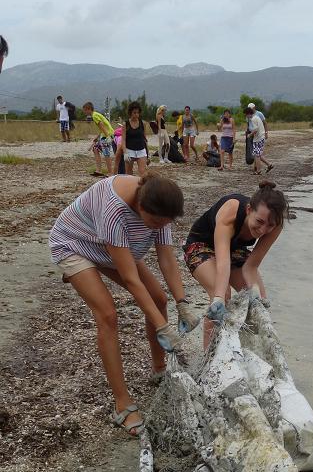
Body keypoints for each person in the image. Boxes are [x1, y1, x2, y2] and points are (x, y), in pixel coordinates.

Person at [49, 173, 198, 436]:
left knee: (158, 299)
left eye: (161, 225)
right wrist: (163, 327)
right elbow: (131, 279)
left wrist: (182, 302)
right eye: (152, 223)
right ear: (140, 206)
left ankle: (159, 369)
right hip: (74, 244)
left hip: (113, 248)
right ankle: (122, 404)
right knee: (107, 315)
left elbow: (166, 259)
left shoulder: (161, 206)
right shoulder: (115, 210)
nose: (155, 228)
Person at [183, 181, 288, 348]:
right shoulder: (231, 210)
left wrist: (257, 296)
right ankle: (209, 358)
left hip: (235, 249)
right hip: (201, 245)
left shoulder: (276, 225)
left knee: (258, 304)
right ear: (248, 210)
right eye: (259, 221)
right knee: (223, 296)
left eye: (270, 225)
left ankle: (243, 350)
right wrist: (217, 298)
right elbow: (222, 264)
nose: (263, 230)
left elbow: (251, 266)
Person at [83, 101, 115, 175]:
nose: (84, 112)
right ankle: (98, 170)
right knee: (95, 149)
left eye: (84, 110)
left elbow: (102, 125)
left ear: (88, 109)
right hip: (104, 135)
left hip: (107, 136)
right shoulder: (96, 114)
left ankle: (110, 172)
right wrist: (97, 137)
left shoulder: (94, 116)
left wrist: (108, 137)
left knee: (106, 154)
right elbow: (102, 128)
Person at [122, 100, 148, 177]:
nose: (136, 114)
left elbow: (145, 139)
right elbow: (123, 140)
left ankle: (142, 188)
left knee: (143, 173)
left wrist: (148, 154)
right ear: (130, 113)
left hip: (141, 150)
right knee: (129, 174)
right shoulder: (125, 124)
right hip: (129, 151)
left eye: (138, 112)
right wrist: (125, 153)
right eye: (134, 113)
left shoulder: (143, 123)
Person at [245, 107, 273, 175]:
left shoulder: (253, 119)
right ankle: (269, 165)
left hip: (258, 138)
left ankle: (258, 170)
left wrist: (250, 135)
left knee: (257, 155)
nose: (246, 116)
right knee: (257, 154)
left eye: (246, 114)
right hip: (260, 137)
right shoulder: (256, 117)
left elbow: (255, 129)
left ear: (248, 114)